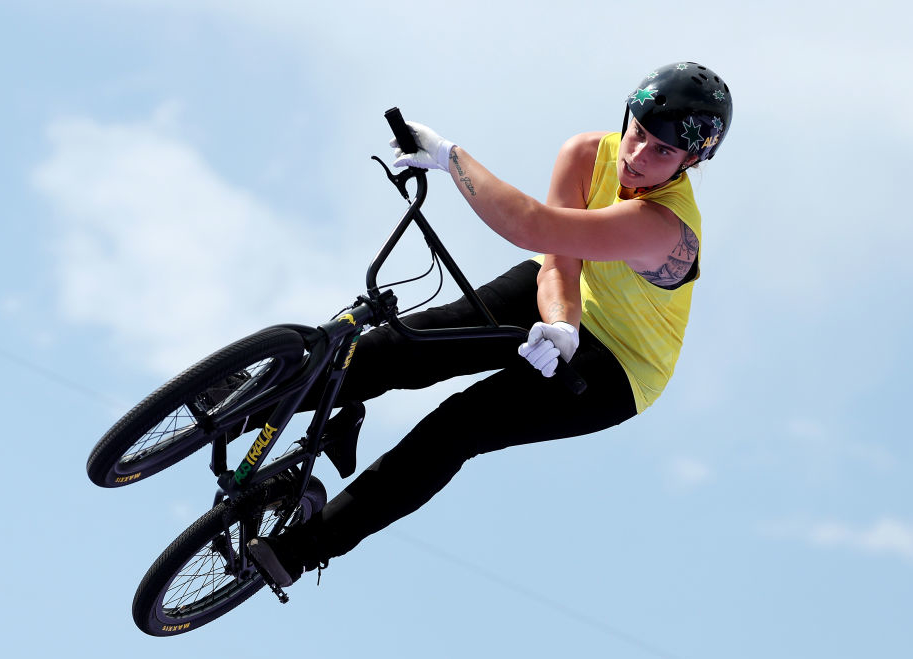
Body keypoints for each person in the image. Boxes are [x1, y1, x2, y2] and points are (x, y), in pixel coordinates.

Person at [248, 62, 733, 588]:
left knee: (460, 425)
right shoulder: (589, 154)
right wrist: (563, 322)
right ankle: (246, 405)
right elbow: (558, 260)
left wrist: (447, 156)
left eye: (663, 151)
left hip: (621, 363)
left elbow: (530, 226)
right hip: (565, 289)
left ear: (691, 160)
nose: (638, 155)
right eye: (638, 132)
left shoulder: (664, 228)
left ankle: (302, 549)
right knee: (414, 343)